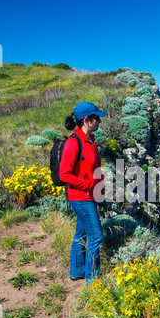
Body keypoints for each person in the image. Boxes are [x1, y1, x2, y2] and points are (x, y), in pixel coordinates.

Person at [59, 101, 107, 285]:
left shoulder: (90, 140)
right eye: (97, 119)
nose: (99, 122)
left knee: (81, 235)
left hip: (89, 196)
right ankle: (92, 281)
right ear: (87, 120)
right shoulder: (74, 142)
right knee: (96, 236)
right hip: (81, 198)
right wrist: (87, 185)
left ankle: (77, 271)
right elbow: (64, 174)